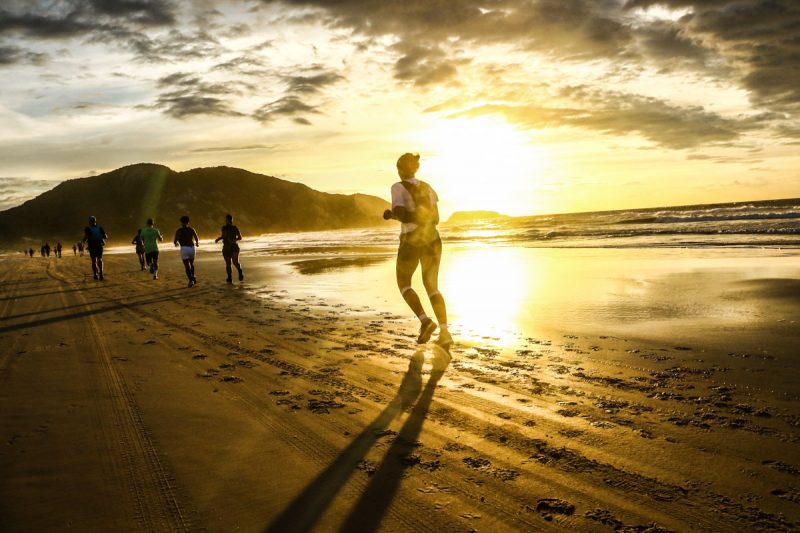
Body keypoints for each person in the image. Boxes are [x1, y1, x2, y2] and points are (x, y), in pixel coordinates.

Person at [383, 152, 452, 348]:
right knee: (432, 286)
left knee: (403, 283)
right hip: (433, 239)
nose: (398, 172)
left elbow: (403, 215)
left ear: (402, 170)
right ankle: (445, 332)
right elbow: (436, 218)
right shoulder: (428, 188)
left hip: (412, 241)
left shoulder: (397, 187)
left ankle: (425, 321)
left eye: (398, 168)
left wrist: (392, 215)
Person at [214, 214, 244, 283]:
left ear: (230, 220)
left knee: (235, 262)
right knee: (228, 263)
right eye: (226, 220)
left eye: (227, 220)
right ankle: (229, 278)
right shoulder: (223, 228)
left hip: (234, 246)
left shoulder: (235, 228)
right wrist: (218, 239)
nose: (226, 221)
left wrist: (233, 240)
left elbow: (240, 237)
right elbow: (223, 236)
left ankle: (239, 271)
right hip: (226, 247)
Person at [174, 215, 199, 287]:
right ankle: (193, 277)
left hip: (184, 248)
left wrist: (176, 243)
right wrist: (197, 243)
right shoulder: (191, 229)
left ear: (181, 222)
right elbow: (196, 238)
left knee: (187, 266)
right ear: (188, 222)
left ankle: (191, 280)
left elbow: (175, 241)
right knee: (191, 264)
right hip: (192, 248)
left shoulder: (179, 230)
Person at [83, 216, 108, 280]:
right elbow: (105, 236)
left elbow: (85, 238)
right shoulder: (100, 228)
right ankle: (101, 274)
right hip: (99, 245)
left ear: (89, 222)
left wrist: (83, 242)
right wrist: (101, 237)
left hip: (92, 245)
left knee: (93, 261)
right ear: (95, 221)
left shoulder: (87, 228)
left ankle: (95, 275)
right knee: (100, 259)